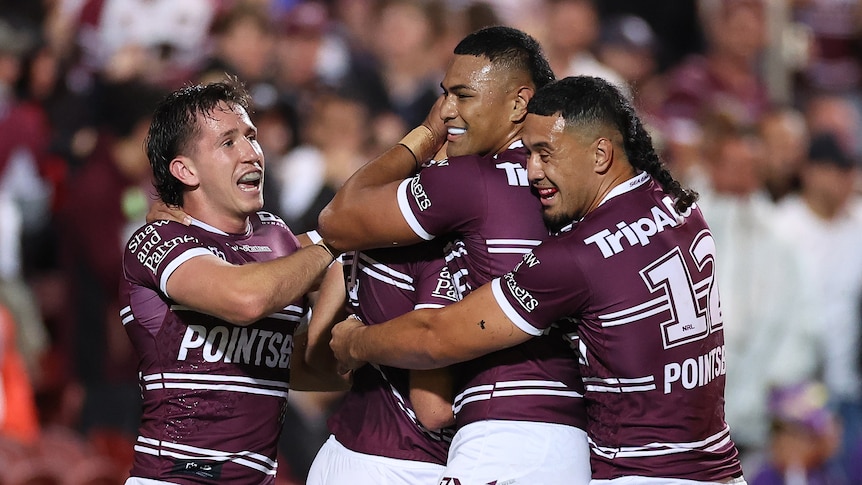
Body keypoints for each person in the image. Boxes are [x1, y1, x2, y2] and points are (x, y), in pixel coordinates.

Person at [330, 75, 746, 483]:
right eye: (528, 153)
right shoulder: (679, 205)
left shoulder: (576, 257)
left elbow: (436, 336)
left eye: (546, 154)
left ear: (600, 155)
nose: (532, 171)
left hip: (644, 473)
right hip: (721, 468)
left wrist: (355, 342)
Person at [318, 26, 590, 485]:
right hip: (579, 440)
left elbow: (338, 218)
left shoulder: (471, 181)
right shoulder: (586, 185)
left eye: (462, 95)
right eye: (443, 96)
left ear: (519, 103)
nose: (446, 110)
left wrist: (424, 134)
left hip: (492, 440)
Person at [120, 77, 345, 484]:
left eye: (251, 136)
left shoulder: (276, 238)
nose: (252, 154)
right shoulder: (157, 239)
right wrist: (339, 241)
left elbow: (309, 370)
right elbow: (247, 299)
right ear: (184, 169)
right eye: (228, 142)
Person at [305, 240, 459, 485]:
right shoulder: (442, 257)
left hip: (336, 455)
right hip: (407, 464)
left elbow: (318, 353)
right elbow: (432, 411)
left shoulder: (354, 244)